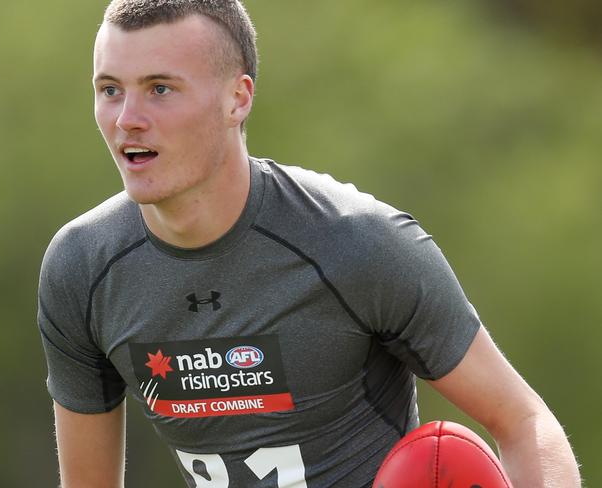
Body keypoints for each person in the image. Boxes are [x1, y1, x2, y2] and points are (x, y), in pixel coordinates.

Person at [37, 1, 581, 487]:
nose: (127, 119)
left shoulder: (357, 243)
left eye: (160, 88)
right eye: (110, 89)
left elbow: (524, 421)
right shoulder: (81, 269)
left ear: (237, 99)